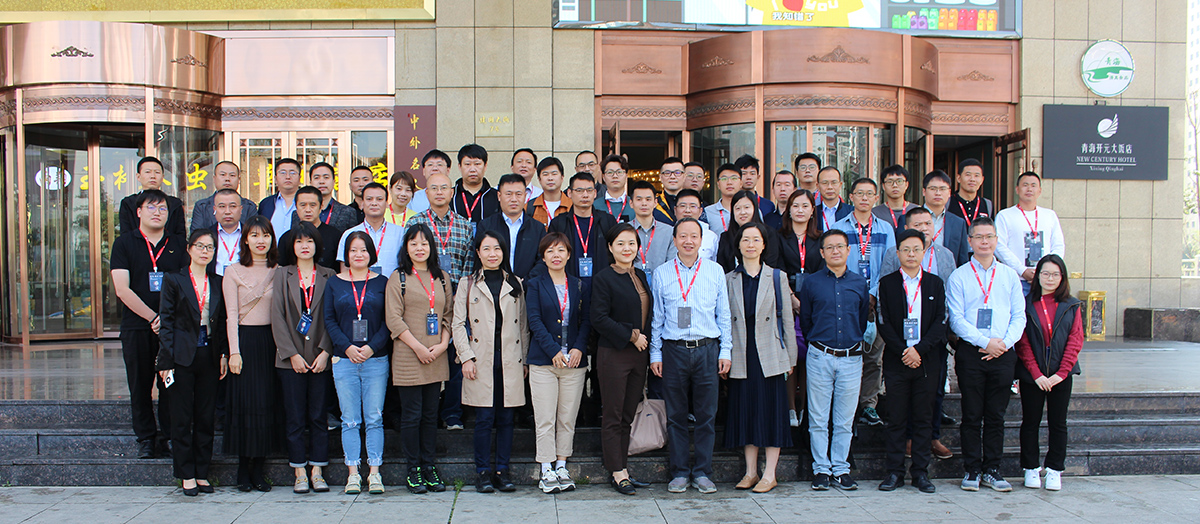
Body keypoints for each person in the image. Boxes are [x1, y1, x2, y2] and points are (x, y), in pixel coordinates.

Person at [649, 218, 732, 495]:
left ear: (701, 240)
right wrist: (655, 354)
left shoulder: (715, 271)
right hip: (673, 350)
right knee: (676, 415)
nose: (688, 241)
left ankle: (703, 472)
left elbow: (724, 314)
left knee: (707, 415)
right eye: (682, 236)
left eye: (693, 236)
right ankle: (680, 472)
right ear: (674, 240)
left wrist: (725, 350)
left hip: (707, 349)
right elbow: (657, 318)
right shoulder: (662, 273)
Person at [947, 216, 1026, 492]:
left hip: (1003, 353)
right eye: (978, 237)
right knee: (971, 414)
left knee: (996, 415)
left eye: (989, 237)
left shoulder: (1009, 275)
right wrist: (984, 342)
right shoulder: (959, 276)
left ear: (996, 240)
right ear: (970, 241)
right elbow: (956, 319)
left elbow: (1019, 316)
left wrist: (1003, 344)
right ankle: (972, 469)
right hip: (971, 353)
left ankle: (992, 469)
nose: (984, 242)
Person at [111, 189, 188, 459]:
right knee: (140, 384)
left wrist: (166, 320)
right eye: (151, 207)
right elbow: (122, 289)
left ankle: (168, 436)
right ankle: (145, 438)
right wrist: (153, 318)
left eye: (163, 208)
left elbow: (186, 285)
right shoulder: (124, 243)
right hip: (137, 325)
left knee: (170, 384)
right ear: (139, 212)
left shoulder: (179, 244)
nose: (158, 212)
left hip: (172, 326)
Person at [452, 232, 529, 494]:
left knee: (507, 417)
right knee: (484, 418)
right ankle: (483, 472)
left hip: (510, 358)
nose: (492, 254)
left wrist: (524, 360)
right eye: (486, 249)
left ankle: (502, 471)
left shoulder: (515, 283)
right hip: (480, 358)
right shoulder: (468, 283)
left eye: (497, 248)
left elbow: (523, 325)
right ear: (478, 252)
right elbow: (458, 324)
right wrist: (466, 357)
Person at [724, 223, 797, 494]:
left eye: (756, 239)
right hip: (741, 354)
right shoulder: (729, 279)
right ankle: (751, 472)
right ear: (739, 245)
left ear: (764, 245)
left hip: (771, 354)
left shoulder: (777, 277)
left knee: (771, 413)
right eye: (746, 239)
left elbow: (787, 319)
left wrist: (790, 358)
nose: (751, 244)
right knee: (746, 412)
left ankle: (770, 474)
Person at [799, 229, 870, 491]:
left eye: (840, 246)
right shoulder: (812, 283)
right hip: (820, 355)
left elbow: (861, 320)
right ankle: (821, 469)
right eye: (829, 247)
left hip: (851, 357)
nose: (835, 251)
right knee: (818, 417)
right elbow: (806, 320)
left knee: (844, 419)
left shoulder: (859, 283)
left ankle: (841, 468)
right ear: (822, 253)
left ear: (849, 250)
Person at [876, 229, 946, 494]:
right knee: (895, 418)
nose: (911, 254)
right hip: (897, 360)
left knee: (923, 418)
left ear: (924, 252)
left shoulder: (935, 284)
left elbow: (940, 322)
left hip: (927, 360)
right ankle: (894, 472)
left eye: (916, 249)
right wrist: (905, 350)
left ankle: (920, 473)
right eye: (906, 249)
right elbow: (883, 322)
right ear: (898, 253)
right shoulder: (887, 283)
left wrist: (919, 350)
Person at [156, 230, 225, 495]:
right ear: (189, 249)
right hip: (181, 356)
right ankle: (186, 474)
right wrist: (166, 361)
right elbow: (167, 322)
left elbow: (222, 323)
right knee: (182, 416)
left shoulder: (217, 282)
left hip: (209, 354)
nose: (205, 251)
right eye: (200, 246)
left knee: (205, 416)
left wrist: (224, 354)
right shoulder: (174, 279)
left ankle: (202, 472)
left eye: (209, 247)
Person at [386, 224, 454, 495]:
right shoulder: (398, 278)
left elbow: (448, 315)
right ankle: (413, 469)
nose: (419, 248)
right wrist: (418, 348)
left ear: (432, 247)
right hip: (408, 355)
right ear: (406, 247)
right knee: (411, 416)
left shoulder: (442, 278)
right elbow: (393, 319)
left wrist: (443, 345)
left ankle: (429, 466)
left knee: (430, 416)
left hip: (436, 355)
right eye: (413, 243)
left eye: (424, 243)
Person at [324, 231, 392, 495]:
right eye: (353, 250)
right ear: (346, 254)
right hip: (344, 359)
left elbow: (389, 320)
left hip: (376, 358)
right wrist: (347, 347)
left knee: (374, 418)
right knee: (350, 420)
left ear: (371, 253)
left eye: (363, 249)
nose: (358, 254)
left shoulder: (382, 282)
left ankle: (374, 472)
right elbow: (329, 320)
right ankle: (353, 473)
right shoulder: (334, 283)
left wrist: (372, 346)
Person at [271, 222, 336, 494]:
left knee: (319, 416)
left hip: (320, 358)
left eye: (309, 241)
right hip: (291, 361)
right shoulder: (281, 274)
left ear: (317, 245)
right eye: (299, 241)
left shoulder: (329, 275)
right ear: (292, 246)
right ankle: (299, 471)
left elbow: (333, 316)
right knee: (295, 416)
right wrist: (292, 354)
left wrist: (325, 351)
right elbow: (277, 316)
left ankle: (317, 470)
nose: (304, 246)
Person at [406, 172, 473, 431]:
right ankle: (429, 414)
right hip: (424, 297)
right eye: (433, 188)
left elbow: (469, 264)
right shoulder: (416, 222)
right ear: (426, 193)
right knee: (427, 354)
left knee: (455, 356)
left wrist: (460, 296)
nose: (439, 192)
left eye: (444, 187)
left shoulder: (464, 225)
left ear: (452, 191)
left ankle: (452, 414)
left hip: (457, 298)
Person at [525, 233, 591, 494]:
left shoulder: (579, 285)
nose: (556, 255)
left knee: (567, 418)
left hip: (573, 363)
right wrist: (553, 349)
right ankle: (546, 468)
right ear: (543, 256)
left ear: (569, 254)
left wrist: (579, 347)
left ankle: (562, 465)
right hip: (544, 362)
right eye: (550, 250)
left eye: (561, 250)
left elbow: (586, 321)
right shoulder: (535, 284)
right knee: (545, 419)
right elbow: (534, 320)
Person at [591, 223, 654, 495]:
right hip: (614, 354)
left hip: (639, 355)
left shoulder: (639, 274)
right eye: (620, 244)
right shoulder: (604, 278)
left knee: (628, 415)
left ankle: (624, 468)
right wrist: (631, 336)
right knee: (613, 415)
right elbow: (598, 318)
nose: (627, 248)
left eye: (631, 243)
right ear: (610, 247)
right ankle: (616, 472)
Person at [1015, 255, 1083, 492]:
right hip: (1032, 375)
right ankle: (1031, 468)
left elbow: (1075, 340)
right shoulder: (1026, 304)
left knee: (1058, 423)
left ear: (1062, 277)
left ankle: (1054, 469)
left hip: (1060, 375)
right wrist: (1035, 373)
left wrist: (1061, 373)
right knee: (1030, 422)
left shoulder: (1071, 305)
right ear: (1038, 276)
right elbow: (1022, 342)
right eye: (1045, 273)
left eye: (1055, 274)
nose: (1050, 278)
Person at [223, 215, 280, 492]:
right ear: (245, 239)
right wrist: (234, 352)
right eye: (255, 235)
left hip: (271, 342)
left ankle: (259, 469)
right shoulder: (233, 271)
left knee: (266, 403)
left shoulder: (280, 270)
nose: (261, 241)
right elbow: (231, 315)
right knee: (245, 404)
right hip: (244, 341)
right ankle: (242, 469)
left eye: (266, 235)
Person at [834, 178, 895, 427]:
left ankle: (869, 404)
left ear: (876, 198)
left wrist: (873, 293)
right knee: (847, 355)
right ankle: (845, 405)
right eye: (859, 193)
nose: (864, 198)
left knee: (874, 357)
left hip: (876, 301)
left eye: (869, 194)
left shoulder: (886, 228)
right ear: (851, 197)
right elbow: (834, 262)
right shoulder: (838, 227)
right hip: (846, 301)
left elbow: (890, 264)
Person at [777, 189, 824, 428]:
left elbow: (823, 270)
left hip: (814, 303)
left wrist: (808, 301)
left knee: (810, 356)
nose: (800, 210)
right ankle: (790, 409)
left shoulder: (820, 238)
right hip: (786, 300)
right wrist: (792, 298)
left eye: (805, 206)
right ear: (788, 210)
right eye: (795, 206)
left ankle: (805, 407)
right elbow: (777, 269)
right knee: (791, 354)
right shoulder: (778, 237)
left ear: (812, 210)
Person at [995, 172, 1066, 294]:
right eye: (1025, 185)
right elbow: (999, 246)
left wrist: (1047, 271)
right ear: (1017, 189)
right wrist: (1022, 270)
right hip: (1016, 279)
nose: (1029, 189)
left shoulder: (1049, 215)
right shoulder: (1005, 215)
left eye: (1033, 185)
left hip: (1045, 281)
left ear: (1039, 191)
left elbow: (1058, 245)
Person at [548, 172, 618, 279]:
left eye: (589, 190)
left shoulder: (607, 221)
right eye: (579, 191)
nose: (585, 195)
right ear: (569, 193)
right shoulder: (559, 223)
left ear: (595, 193)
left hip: (602, 283)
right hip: (568, 282)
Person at [476, 174, 546, 279]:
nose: (514, 199)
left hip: (528, 285)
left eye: (518, 194)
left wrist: (525, 282)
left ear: (525, 196)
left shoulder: (537, 228)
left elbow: (542, 260)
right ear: (499, 196)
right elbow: (479, 257)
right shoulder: (486, 226)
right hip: (494, 284)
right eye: (508, 194)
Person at [337, 183, 402, 277]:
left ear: (387, 204)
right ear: (362, 203)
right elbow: (345, 269)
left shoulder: (400, 233)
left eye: (379, 199)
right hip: (359, 285)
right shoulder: (349, 234)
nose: (374, 203)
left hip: (392, 285)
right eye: (369, 199)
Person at [279, 186, 343, 271]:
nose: (308, 210)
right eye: (303, 205)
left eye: (313, 205)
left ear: (321, 206)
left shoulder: (335, 236)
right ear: (296, 207)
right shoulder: (287, 238)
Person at [119, 156, 186, 237]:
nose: (153, 176)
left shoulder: (175, 203)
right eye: (148, 172)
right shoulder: (128, 203)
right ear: (138, 177)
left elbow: (180, 235)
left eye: (157, 172)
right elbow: (125, 234)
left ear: (162, 177)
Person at [717, 190, 782, 273]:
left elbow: (772, 262)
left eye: (747, 207)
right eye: (738, 208)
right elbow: (722, 267)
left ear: (755, 209)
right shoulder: (726, 237)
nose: (742, 212)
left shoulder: (769, 233)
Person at [190, 161, 257, 234]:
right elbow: (197, 236)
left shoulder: (249, 207)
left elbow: (255, 234)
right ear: (214, 178)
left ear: (239, 179)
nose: (227, 179)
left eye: (232, 175)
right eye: (222, 175)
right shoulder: (202, 207)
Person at [922, 170, 972, 267]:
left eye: (942, 189)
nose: (938, 193)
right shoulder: (909, 219)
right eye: (933, 189)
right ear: (924, 191)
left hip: (949, 272)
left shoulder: (958, 223)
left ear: (949, 193)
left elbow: (962, 259)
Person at [629, 180, 675, 274]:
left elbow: (672, 264)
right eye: (639, 199)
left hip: (662, 280)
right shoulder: (623, 231)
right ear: (631, 203)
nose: (644, 203)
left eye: (648, 199)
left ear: (655, 203)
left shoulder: (669, 231)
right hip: (630, 281)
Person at [452, 144, 500, 233]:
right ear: (459, 166)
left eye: (477, 164)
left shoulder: (497, 196)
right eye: (467, 164)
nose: (472, 169)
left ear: (485, 166)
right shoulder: (450, 195)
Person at [257, 158, 302, 240]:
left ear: (299, 178)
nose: (288, 177)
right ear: (275, 179)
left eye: (292, 173)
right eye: (283, 173)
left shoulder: (307, 203)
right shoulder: (266, 204)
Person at [308, 162, 360, 231]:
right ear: (310, 183)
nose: (321, 181)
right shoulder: (298, 213)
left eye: (326, 177)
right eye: (316, 178)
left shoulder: (348, 212)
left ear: (333, 182)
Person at [674, 189, 719, 262]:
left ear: (700, 211)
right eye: (682, 206)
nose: (687, 210)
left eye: (693, 206)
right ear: (675, 210)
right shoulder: (667, 235)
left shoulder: (711, 237)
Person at [209, 189, 245, 276]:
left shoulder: (250, 233)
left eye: (233, 206)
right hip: (215, 282)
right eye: (222, 206)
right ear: (214, 209)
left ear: (241, 209)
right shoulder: (207, 235)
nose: (227, 212)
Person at [949, 158, 994, 227]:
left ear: (982, 180)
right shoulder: (948, 203)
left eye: (976, 175)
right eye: (968, 175)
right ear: (958, 178)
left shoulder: (987, 205)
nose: (972, 179)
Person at [529, 157, 572, 225]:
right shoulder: (530, 207)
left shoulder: (572, 205)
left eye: (554, 174)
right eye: (545, 174)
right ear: (539, 179)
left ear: (562, 177)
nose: (550, 178)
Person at [873, 165, 918, 230]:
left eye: (899, 181)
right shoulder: (875, 213)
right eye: (890, 182)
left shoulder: (917, 210)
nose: (895, 185)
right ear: (883, 186)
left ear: (906, 185)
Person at [408, 149, 453, 214]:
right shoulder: (414, 198)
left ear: (448, 170)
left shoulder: (454, 197)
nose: (435, 168)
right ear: (424, 171)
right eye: (430, 165)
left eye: (439, 165)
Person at [703, 163, 743, 234]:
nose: (729, 182)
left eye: (734, 178)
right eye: (724, 179)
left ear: (741, 183)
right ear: (718, 184)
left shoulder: (750, 210)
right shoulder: (708, 212)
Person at [594, 154, 633, 222]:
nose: (615, 176)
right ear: (603, 177)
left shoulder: (634, 205)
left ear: (626, 176)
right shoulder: (595, 206)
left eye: (619, 172)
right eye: (610, 172)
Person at [814, 166, 851, 231]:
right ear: (818, 186)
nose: (830, 187)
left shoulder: (851, 212)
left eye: (834, 182)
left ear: (840, 185)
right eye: (825, 183)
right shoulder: (813, 213)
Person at [654, 157, 686, 224]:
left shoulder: (694, 204)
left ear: (684, 176)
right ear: (661, 177)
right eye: (667, 173)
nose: (672, 177)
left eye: (677, 172)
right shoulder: (653, 205)